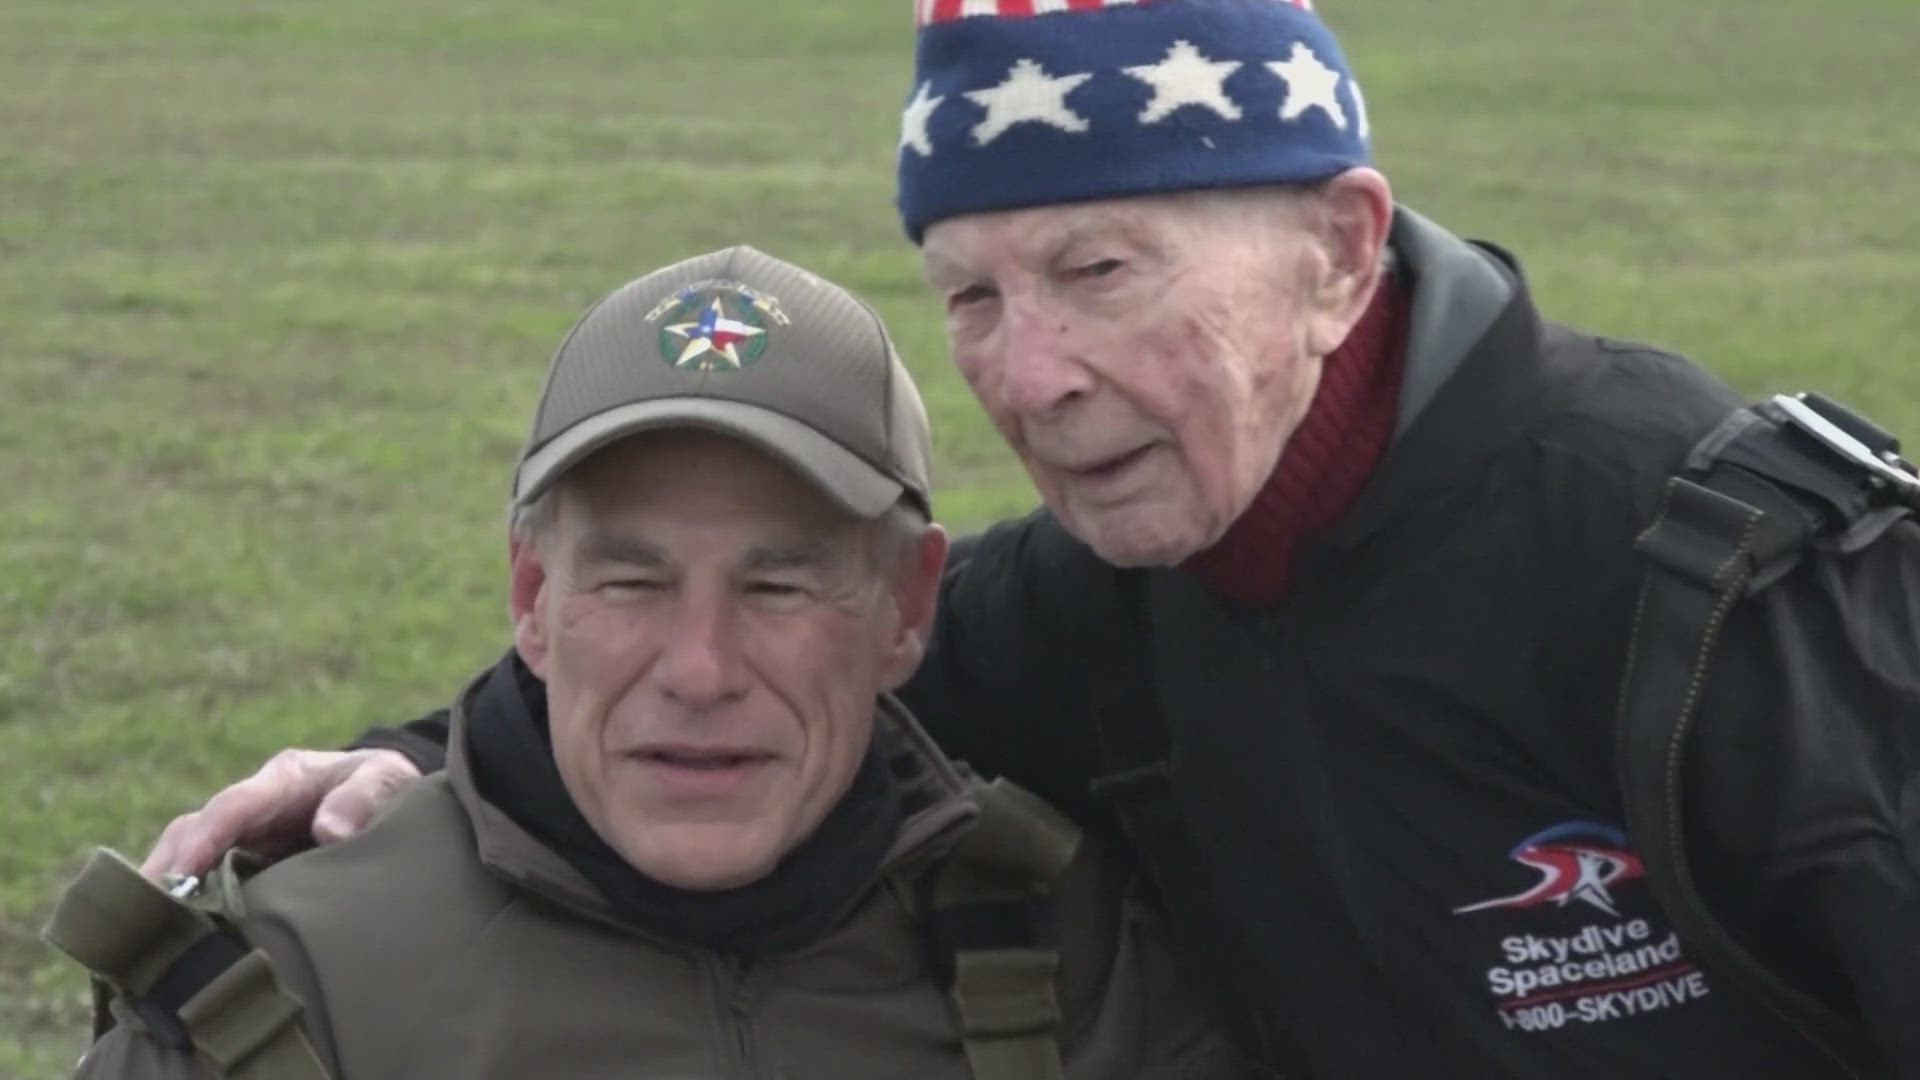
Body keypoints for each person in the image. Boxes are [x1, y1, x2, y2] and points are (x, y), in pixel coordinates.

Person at [137, 1, 1920, 1077]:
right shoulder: (1090, 600)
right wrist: (410, 762)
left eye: (1099, 273)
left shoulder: (1711, 563)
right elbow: (759, 667)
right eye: (970, 294)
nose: (1032, 378)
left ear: (1339, 249)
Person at [44, 247, 1246, 1080]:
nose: (702, 669)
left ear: (904, 608)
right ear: (533, 597)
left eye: (777, 584)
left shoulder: (1074, 960)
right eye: (630, 580)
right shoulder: (287, 998)